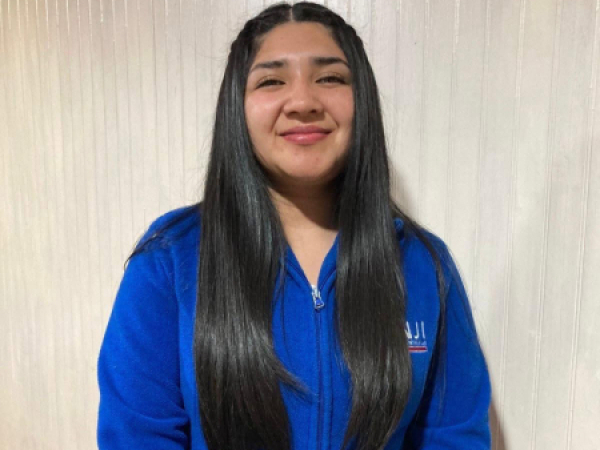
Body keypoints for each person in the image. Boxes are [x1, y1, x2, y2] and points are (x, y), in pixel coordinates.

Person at [96, 2, 491, 450]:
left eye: (330, 78)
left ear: (362, 101)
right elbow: (138, 437)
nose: (303, 102)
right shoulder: (171, 261)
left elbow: (453, 436)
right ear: (237, 108)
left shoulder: (424, 266)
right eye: (271, 81)